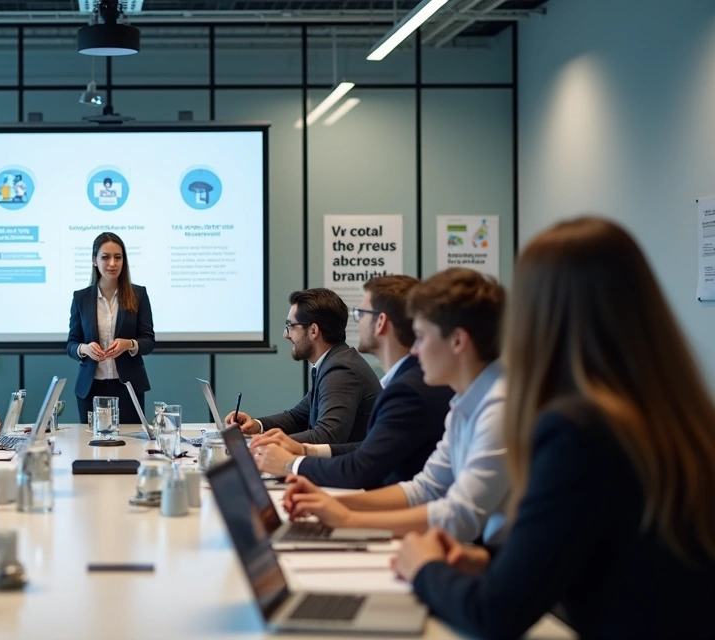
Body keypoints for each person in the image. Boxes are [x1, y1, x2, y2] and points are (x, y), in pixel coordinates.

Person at [393, 218, 715, 638]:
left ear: (538, 316)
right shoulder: (676, 414)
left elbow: (494, 614)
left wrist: (424, 568)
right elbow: (614, 555)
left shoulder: (577, 431)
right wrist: (494, 562)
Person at [282, 268, 509, 543]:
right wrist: (329, 504)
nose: (414, 350)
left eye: (422, 337)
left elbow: (459, 517)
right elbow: (426, 489)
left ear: (458, 341)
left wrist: (348, 519)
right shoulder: (463, 402)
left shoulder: (500, 409)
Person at [249, 276, 453, 489]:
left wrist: (291, 463)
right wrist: (301, 450)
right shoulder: (398, 378)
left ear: (381, 322)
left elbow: (358, 465)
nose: (356, 320)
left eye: (361, 313)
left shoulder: (399, 386)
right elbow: (365, 449)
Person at [226, 288, 381, 445]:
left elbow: (326, 436)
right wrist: (256, 426)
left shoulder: (341, 370)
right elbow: (298, 417)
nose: (286, 335)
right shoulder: (332, 362)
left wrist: (266, 441)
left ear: (313, 330)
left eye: (290, 326)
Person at [67, 232, 155, 425]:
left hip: (128, 387)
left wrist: (130, 344)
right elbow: (71, 344)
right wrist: (85, 349)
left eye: (118, 257)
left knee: (131, 448)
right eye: (105, 257)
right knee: (90, 448)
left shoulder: (138, 294)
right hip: (90, 389)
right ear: (94, 260)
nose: (112, 263)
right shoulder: (81, 298)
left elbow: (148, 341)